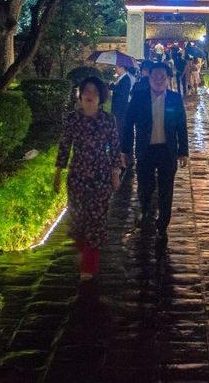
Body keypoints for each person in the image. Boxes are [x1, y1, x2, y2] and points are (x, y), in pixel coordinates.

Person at [55, 76, 122, 281]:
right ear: (80, 95)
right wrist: (58, 173)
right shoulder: (72, 120)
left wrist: (115, 173)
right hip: (78, 177)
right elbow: (65, 146)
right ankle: (84, 250)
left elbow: (115, 148)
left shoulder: (107, 120)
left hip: (101, 178)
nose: (90, 95)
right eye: (86, 91)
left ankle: (89, 265)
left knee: (96, 222)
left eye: (94, 92)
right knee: (78, 221)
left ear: (101, 97)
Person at [122, 62, 188, 241]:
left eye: (162, 77)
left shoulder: (174, 98)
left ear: (167, 79)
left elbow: (181, 126)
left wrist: (183, 151)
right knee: (145, 186)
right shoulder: (139, 98)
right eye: (155, 77)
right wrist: (125, 150)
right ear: (149, 78)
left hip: (167, 150)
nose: (159, 80)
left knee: (167, 189)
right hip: (146, 150)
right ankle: (144, 210)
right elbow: (128, 124)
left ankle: (163, 223)